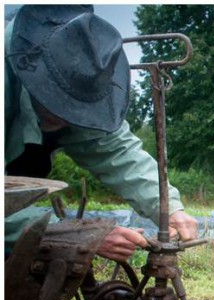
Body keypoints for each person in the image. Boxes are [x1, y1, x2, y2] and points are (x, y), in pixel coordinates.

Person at [5, 5, 198, 262]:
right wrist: (74, 234)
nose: (68, 116)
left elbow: (117, 151)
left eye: (77, 108)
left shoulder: (79, 71)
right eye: (60, 103)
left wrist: (169, 208)